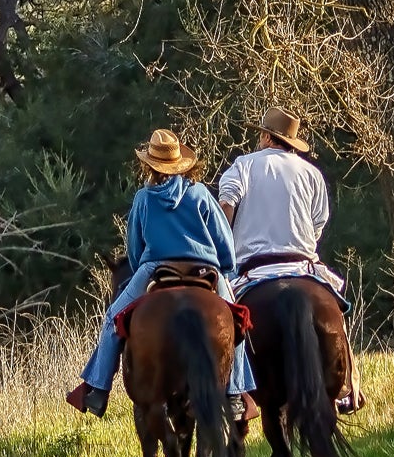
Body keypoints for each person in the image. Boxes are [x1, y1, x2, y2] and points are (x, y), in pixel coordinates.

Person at [66, 128, 256, 419]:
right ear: (182, 164)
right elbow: (224, 241)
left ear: (150, 165)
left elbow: (134, 248)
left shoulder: (144, 197)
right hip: (206, 269)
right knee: (236, 321)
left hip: (156, 268)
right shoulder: (201, 193)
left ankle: (98, 389)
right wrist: (226, 268)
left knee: (113, 319)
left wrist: (142, 264)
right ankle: (234, 395)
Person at [217, 107, 363, 413]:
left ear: (268, 137)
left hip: (253, 269)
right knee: (336, 309)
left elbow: (226, 203)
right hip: (302, 263)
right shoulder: (311, 173)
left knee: (228, 321)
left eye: (261, 133)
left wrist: (224, 244)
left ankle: (234, 392)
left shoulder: (243, 165)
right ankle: (349, 386)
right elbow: (318, 223)